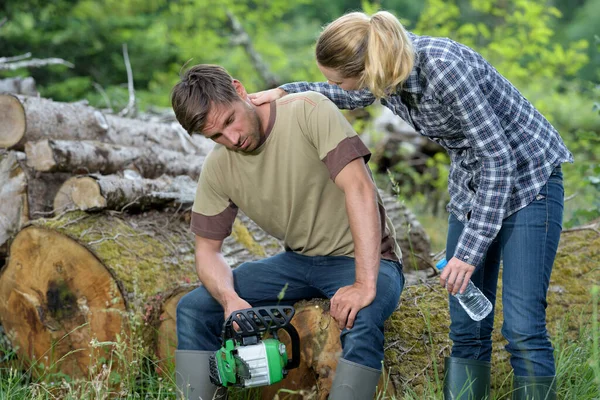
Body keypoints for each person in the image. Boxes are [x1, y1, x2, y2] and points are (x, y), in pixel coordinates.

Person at [250, 10, 572, 400]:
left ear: (367, 68)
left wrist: (467, 254)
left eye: (340, 78)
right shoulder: (385, 71)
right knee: (467, 326)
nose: (338, 87)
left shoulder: (444, 68)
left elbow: (499, 160)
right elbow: (340, 92)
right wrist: (284, 92)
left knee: (522, 329)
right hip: (473, 186)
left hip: (527, 180)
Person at [170, 63, 405, 400]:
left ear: (239, 91)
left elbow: (360, 189)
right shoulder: (219, 166)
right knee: (193, 308)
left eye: (229, 121)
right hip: (297, 265)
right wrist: (231, 299)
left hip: (366, 259)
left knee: (361, 315)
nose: (232, 139)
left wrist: (364, 283)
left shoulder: (308, 110)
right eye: (216, 136)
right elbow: (207, 251)